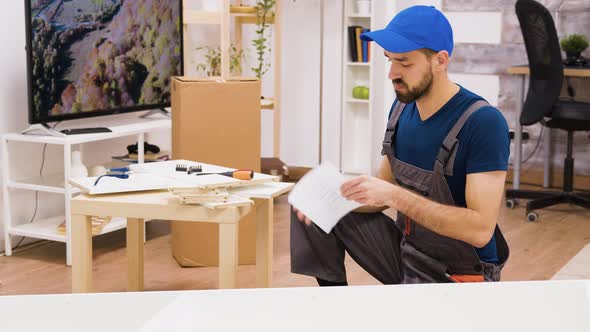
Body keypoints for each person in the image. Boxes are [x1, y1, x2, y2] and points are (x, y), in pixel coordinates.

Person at [290, 5, 510, 286]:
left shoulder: (483, 122)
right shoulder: (401, 109)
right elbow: (382, 190)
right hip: (407, 253)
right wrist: (331, 199)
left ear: (440, 61)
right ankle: (336, 307)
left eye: (405, 63)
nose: (392, 73)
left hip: (458, 274)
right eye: (389, 60)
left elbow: (480, 230)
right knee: (312, 211)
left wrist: (394, 196)